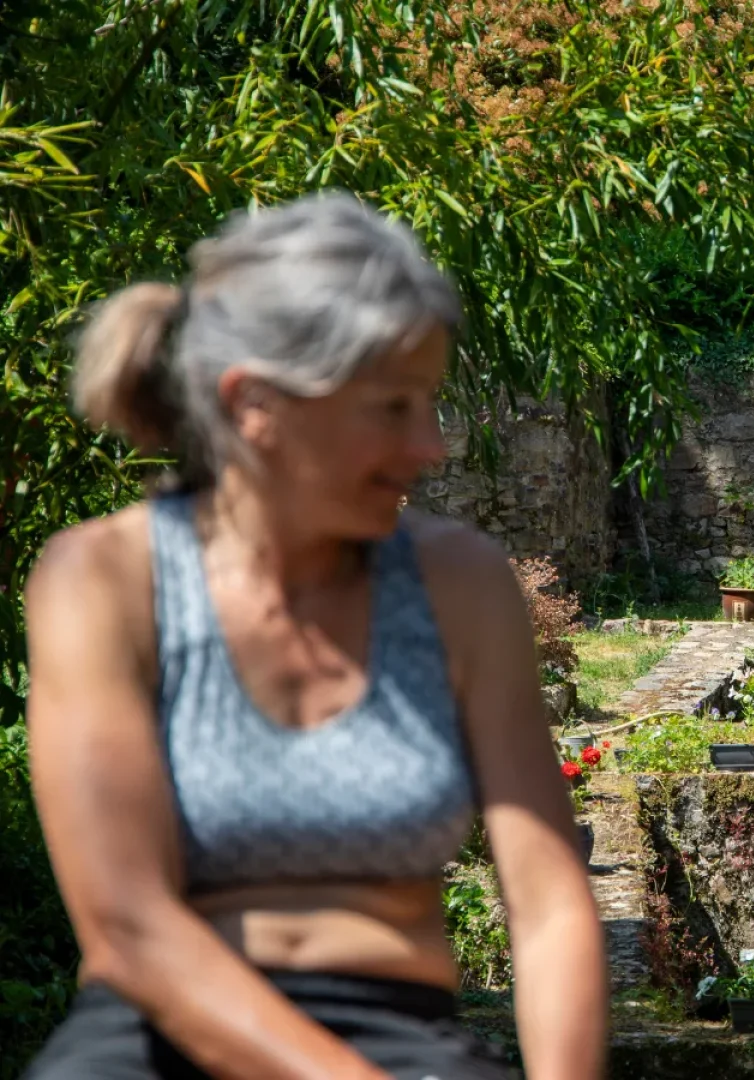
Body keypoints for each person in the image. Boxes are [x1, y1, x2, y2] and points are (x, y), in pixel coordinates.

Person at [22, 192, 607, 1079]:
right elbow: (127, 927)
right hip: (149, 1043)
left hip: (406, 1037)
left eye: (431, 404)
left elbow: (550, 903)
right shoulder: (103, 581)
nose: (432, 446)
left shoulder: (461, 585)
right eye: (394, 408)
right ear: (255, 404)